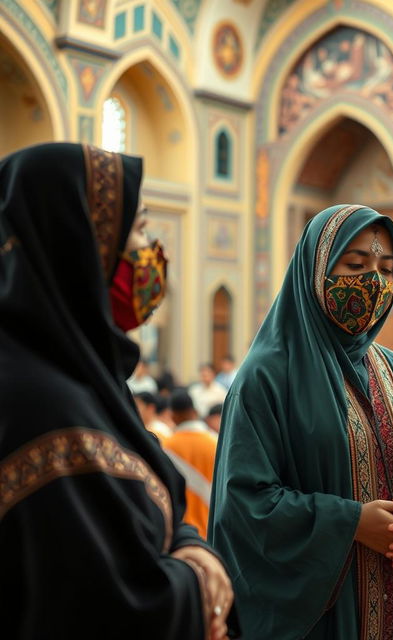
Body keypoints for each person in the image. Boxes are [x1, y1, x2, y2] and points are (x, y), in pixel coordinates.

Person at [0, 143, 235, 639]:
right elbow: (108, 608)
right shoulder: (41, 406)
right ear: (78, 242)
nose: (153, 251)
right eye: (139, 227)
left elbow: (162, 506)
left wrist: (193, 548)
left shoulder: (86, 380)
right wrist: (198, 582)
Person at [210, 204, 393, 639]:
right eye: (355, 265)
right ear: (316, 270)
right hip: (320, 618)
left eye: (386, 269)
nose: (374, 282)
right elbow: (243, 505)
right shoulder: (268, 376)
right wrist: (349, 523)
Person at [165, 389, 218, 539]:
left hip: (182, 533)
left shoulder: (166, 446)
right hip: (212, 529)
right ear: (194, 411)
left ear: (173, 416)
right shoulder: (216, 442)